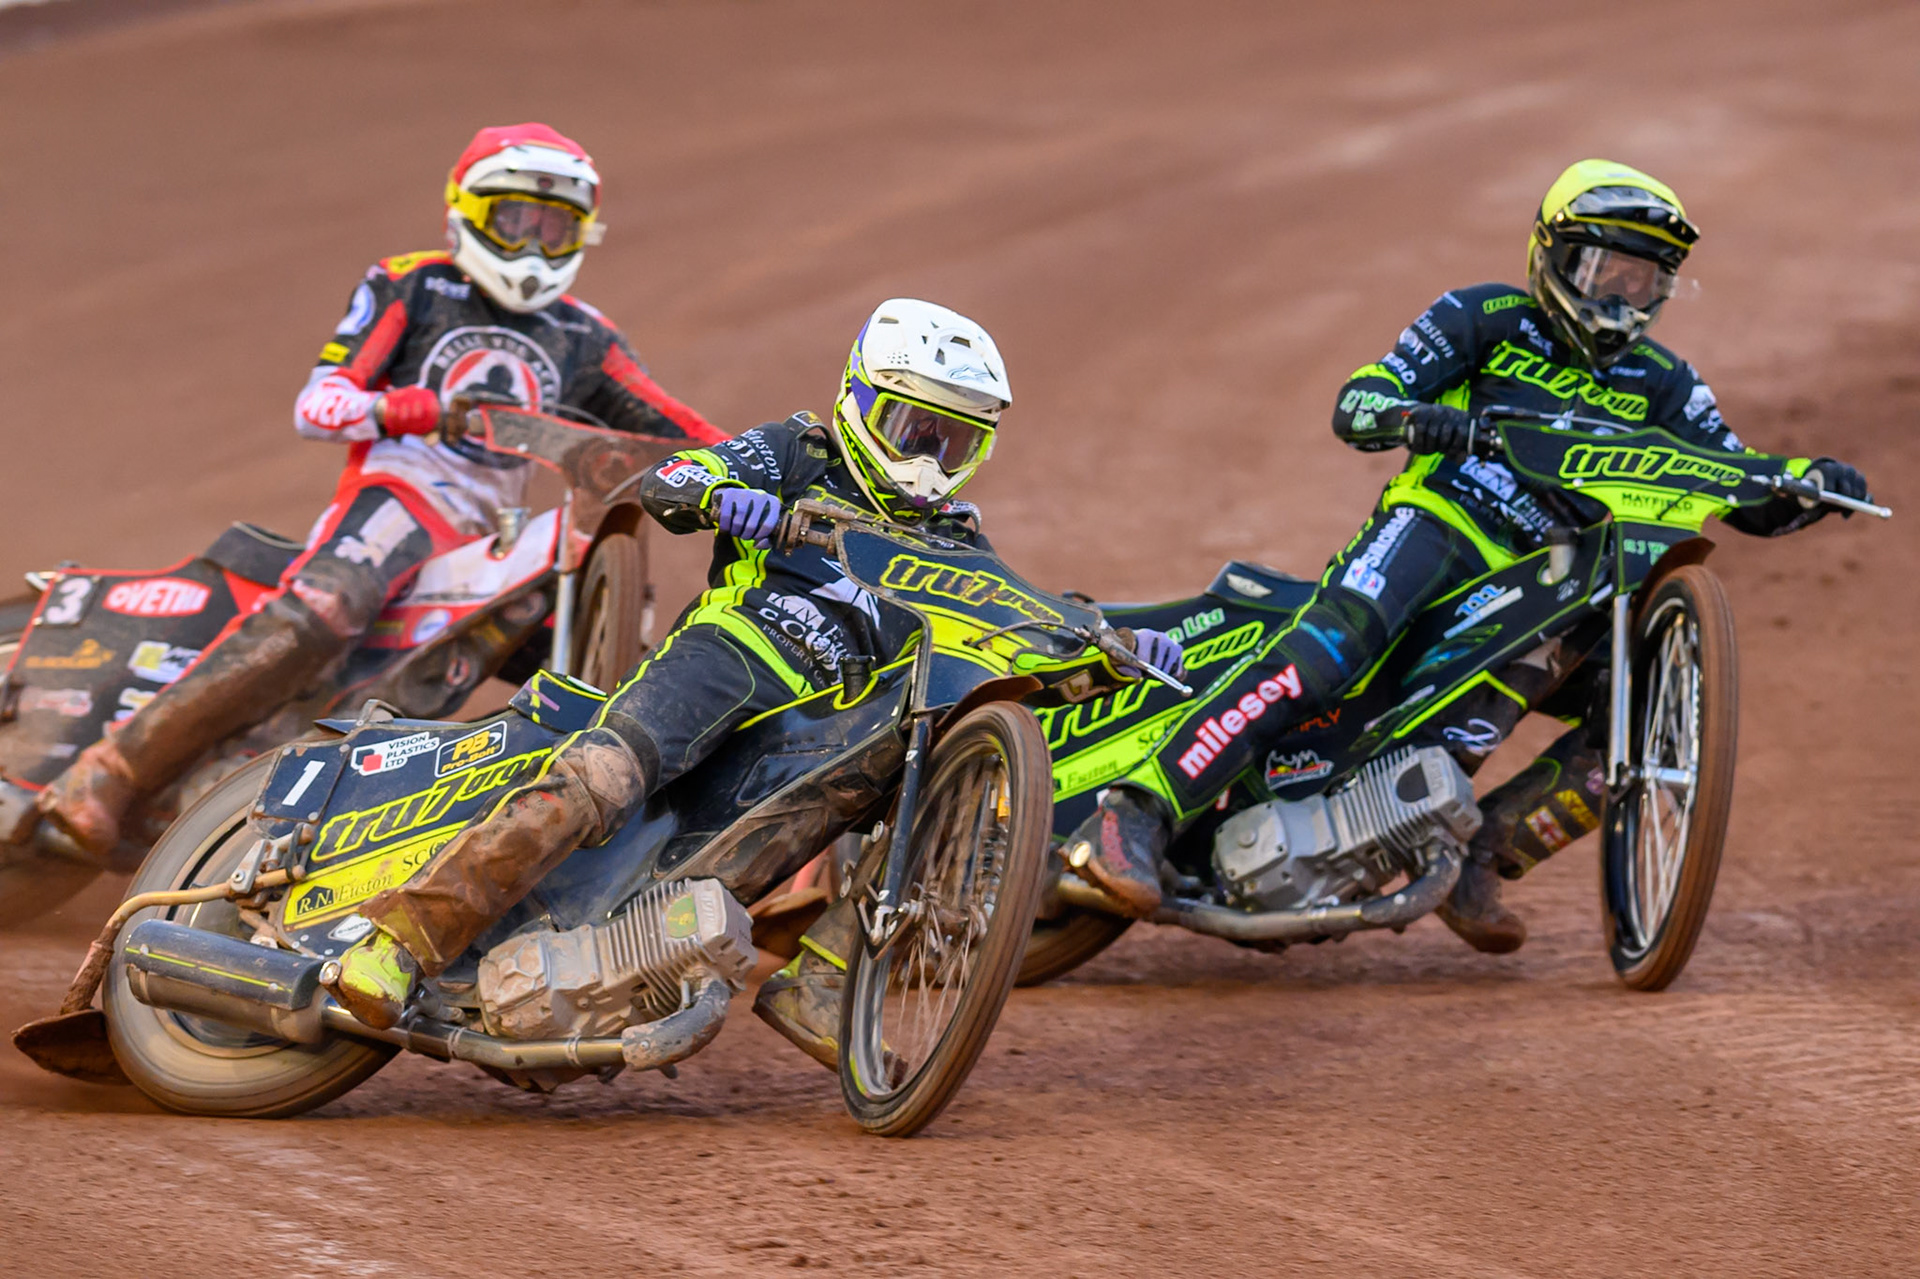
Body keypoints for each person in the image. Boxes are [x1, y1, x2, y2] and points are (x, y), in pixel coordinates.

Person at [325, 297, 1186, 1055]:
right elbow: (676, 476)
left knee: (940, 734)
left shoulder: (960, 545)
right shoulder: (798, 452)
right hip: (734, 656)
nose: (928, 458)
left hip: (817, 728)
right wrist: (721, 492)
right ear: (859, 400)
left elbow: (1032, 625)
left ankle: (825, 981)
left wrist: (1118, 649)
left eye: (954, 440)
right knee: (600, 778)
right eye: (912, 429)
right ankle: (401, 939)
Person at [1067, 158, 1874, 952]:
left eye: (1643, 280)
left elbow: (1739, 483)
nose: (1620, 297)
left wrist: (1807, 482)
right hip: (1440, 527)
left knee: (1633, 715)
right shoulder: (1482, 315)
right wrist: (1419, 419)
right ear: (1552, 257)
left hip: (1551, 579)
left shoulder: (1664, 383)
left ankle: (1486, 851)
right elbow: (1361, 401)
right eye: (1603, 270)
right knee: (1327, 652)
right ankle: (1137, 808)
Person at [37, 122, 721, 857]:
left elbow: (674, 421)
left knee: (541, 654)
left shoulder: (587, 336)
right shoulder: (411, 284)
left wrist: (751, 461)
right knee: (328, 608)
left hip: (495, 535)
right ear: (468, 210)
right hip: (400, 495)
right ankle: (106, 771)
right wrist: (408, 408)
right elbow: (319, 402)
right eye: (514, 219)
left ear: (583, 235)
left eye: (555, 228)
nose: (531, 245)